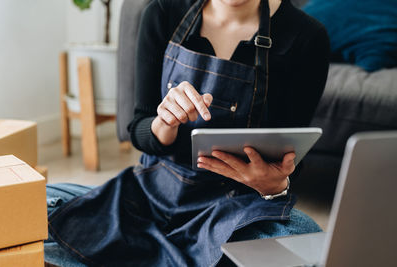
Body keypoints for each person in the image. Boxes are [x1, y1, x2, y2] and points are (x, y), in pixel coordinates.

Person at [44, 0, 330, 266]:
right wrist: (164, 122)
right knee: (32, 203)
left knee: (307, 239)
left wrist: (272, 186)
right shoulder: (162, 12)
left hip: (236, 211)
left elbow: (291, 156)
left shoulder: (306, 37)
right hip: (150, 197)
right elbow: (140, 129)